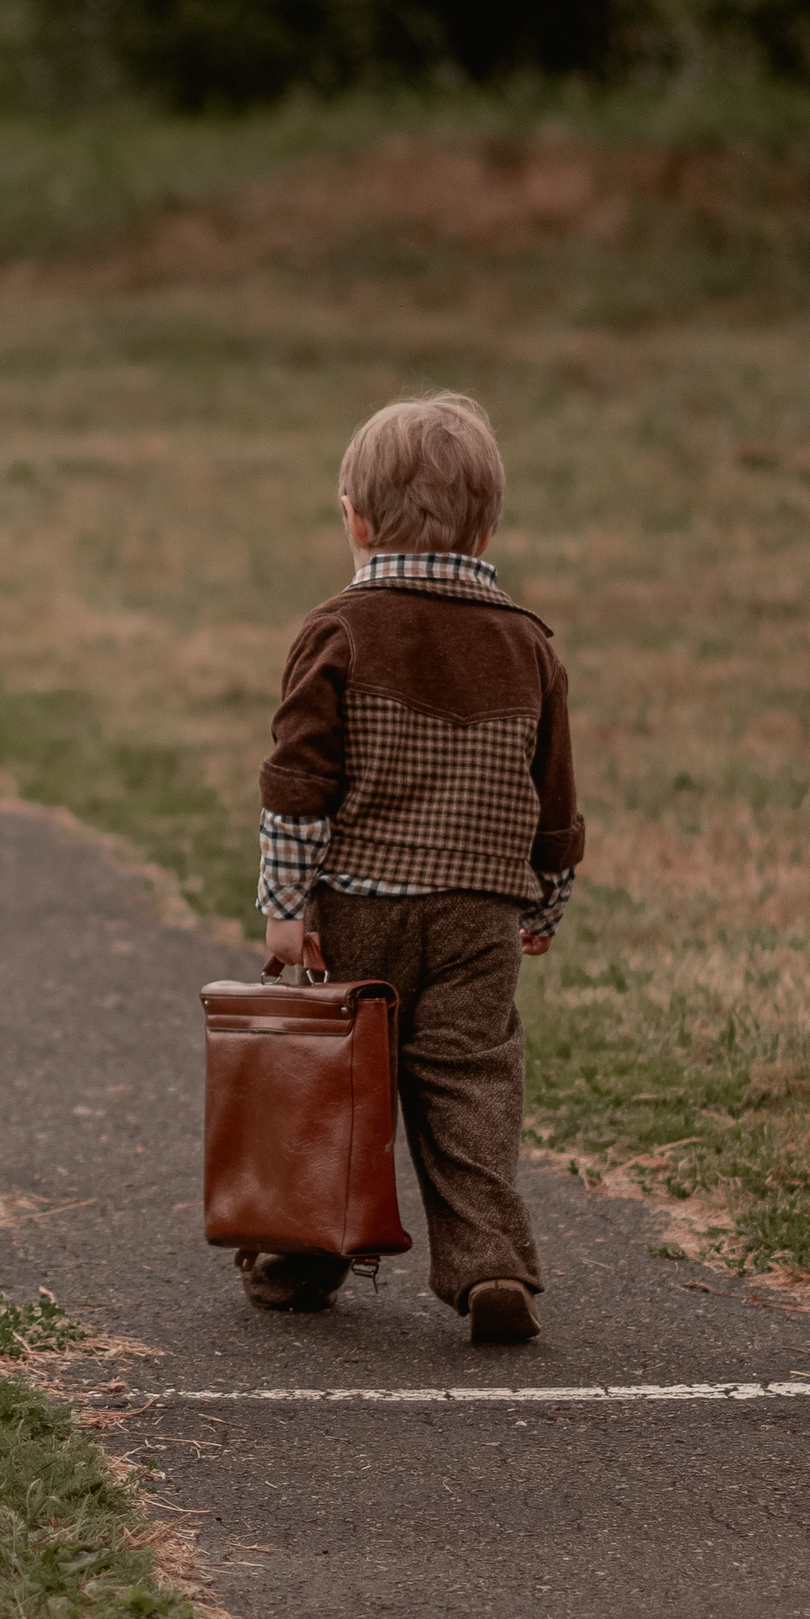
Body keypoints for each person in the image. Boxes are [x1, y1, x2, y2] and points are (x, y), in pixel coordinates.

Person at [249, 392, 583, 1343]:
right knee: (471, 1080)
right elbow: (554, 802)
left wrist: (284, 904)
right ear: (491, 523)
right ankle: (491, 1265)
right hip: (481, 914)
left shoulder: (338, 629)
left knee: (336, 1083)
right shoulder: (528, 645)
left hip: (358, 903)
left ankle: (303, 1255)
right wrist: (546, 903)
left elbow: (298, 783)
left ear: (354, 519)